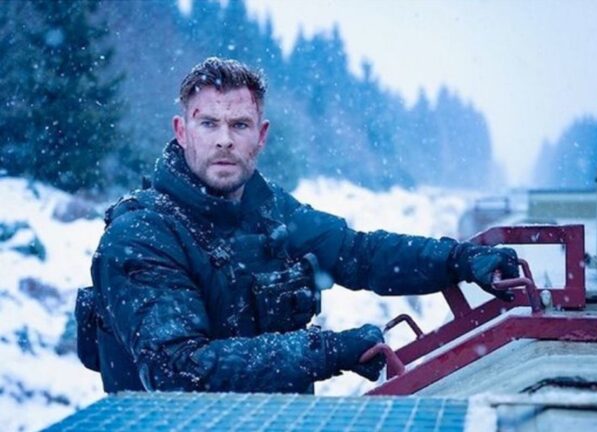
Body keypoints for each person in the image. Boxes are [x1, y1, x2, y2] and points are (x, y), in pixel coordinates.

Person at [84, 57, 519, 394]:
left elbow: (359, 253)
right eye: (209, 123)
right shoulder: (142, 235)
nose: (224, 139)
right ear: (182, 131)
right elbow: (179, 369)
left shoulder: (269, 209)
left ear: (261, 135)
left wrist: (459, 259)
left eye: (239, 124)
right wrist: (327, 351)